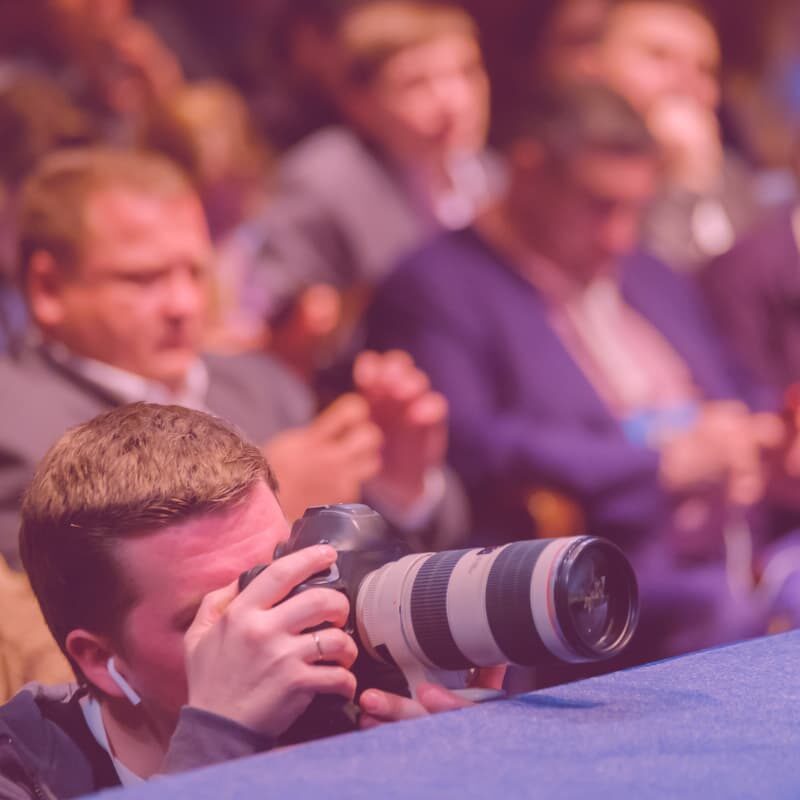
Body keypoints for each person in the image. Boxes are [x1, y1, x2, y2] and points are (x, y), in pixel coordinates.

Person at [365, 81, 800, 660]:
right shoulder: (437, 285)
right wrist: (665, 465)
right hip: (597, 563)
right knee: (724, 609)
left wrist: (765, 434)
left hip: (738, 537)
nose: (620, 235)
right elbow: (473, 441)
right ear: (528, 173)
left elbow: (731, 377)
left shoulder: (645, 273)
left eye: (635, 208)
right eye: (599, 206)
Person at [0, 146, 467, 572]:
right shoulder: (14, 428)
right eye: (143, 279)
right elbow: (63, 618)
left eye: (196, 272)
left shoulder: (262, 385)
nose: (183, 304)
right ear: (48, 289)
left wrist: (398, 487)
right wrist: (264, 515)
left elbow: (400, 559)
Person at [0, 402, 497, 797]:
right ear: (103, 660)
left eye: (281, 577)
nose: (273, 626)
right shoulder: (20, 769)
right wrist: (218, 738)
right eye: (215, 614)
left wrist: (458, 771)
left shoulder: (360, 706)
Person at [221, 0, 500, 377]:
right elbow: (271, 323)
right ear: (359, 102)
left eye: (466, 73)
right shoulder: (323, 181)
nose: (453, 101)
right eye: (417, 83)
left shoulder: (491, 175)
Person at [596, 0, 761, 270]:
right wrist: (680, 184)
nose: (686, 81)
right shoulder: (570, 176)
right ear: (596, 64)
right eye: (659, 55)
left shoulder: (734, 180)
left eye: (704, 69)